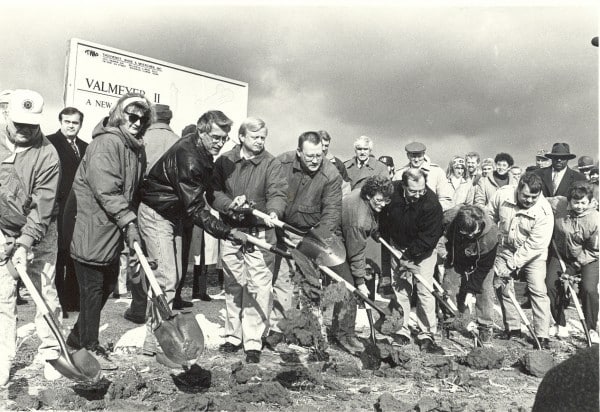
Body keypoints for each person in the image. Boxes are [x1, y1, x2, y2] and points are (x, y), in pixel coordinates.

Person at [137, 110, 248, 362]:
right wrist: (227, 232)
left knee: (172, 278)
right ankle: (153, 343)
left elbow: (209, 194)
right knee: (166, 278)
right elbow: (196, 208)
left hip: (172, 214)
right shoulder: (189, 158)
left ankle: (157, 335)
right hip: (156, 213)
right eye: (216, 137)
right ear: (202, 131)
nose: (220, 143)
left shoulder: (203, 154)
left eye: (225, 138)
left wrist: (230, 206)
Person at [65, 92, 153, 369]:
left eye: (143, 118)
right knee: (92, 289)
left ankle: (76, 338)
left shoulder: (135, 148)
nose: (137, 122)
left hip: (111, 229)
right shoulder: (106, 143)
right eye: (132, 116)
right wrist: (129, 221)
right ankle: (90, 348)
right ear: (119, 115)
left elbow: (133, 191)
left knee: (105, 286)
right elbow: (106, 190)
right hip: (91, 226)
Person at [210, 117, 287, 364]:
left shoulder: (271, 163)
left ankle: (252, 340)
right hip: (232, 233)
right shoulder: (224, 161)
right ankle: (233, 336)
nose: (260, 141)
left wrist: (274, 212)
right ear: (242, 137)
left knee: (259, 287)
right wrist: (228, 205)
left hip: (259, 235)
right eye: (255, 137)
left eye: (263, 137)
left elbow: (277, 192)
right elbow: (214, 193)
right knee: (233, 285)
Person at [0, 89, 63, 384]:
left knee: (44, 292)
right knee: (3, 297)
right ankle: (2, 359)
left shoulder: (48, 154)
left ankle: (53, 354)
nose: (24, 130)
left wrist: (25, 243)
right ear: (6, 116)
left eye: (31, 124)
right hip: (2, 227)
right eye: (18, 124)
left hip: (41, 230)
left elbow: (43, 206)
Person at [267, 132, 348, 349]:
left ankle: (311, 331)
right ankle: (279, 328)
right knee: (282, 281)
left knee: (309, 284)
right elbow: (272, 191)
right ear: (299, 152)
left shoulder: (331, 175)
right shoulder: (282, 163)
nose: (314, 160)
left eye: (319, 155)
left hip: (309, 235)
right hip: (280, 228)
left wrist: (313, 243)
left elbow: (331, 213)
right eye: (309, 156)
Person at [380, 168, 445, 354]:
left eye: (421, 191)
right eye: (413, 191)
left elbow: (430, 237)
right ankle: (401, 330)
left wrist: (409, 257)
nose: (417, 195)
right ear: (403, 186)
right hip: (397, 246)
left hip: (423, 250)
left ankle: (427, 334)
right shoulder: (392, 192)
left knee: (424, 290)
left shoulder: (431, 204)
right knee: (401, 289)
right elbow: (383, 218)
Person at [488, 172, 554, 349]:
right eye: (525, 196)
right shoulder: (502, 194)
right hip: (507, 248)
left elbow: (535, 245)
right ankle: (513, 328)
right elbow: (489, 216)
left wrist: (512, 265)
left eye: (534, 196)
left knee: (538, 290)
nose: (530, 200)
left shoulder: (544, 211)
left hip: (533, 254)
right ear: (518, 189)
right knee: (502, 284)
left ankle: (542, 335)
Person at [341, 175, 393, 352]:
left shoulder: (360, 195)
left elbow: (370, 219)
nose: (383, 204)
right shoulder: (359, 220)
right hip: (338, 245)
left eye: (386, 200)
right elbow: (356, 253)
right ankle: (344, 335)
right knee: (349, 289)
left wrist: (375, 230)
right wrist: (361, 282)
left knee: (350, 288)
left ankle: (344, 332)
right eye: (379, 200)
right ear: (369, 195)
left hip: (348, 238)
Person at [46, 107, 87, 318]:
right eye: (67, 121)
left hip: (79, 208)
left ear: (80, 124)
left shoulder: (85, 147)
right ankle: (59, 302)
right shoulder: (49, 142)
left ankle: (72, 299)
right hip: (58, 207)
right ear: (60, 122)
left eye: (75, 122)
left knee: (74, 253)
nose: (71, 126)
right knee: (59, 254)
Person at [545, 182, 598, 343]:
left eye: (583, 203)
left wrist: (573, 268)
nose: (579, 206)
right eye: (576, 202)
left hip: (589, 257)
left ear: (590, 202)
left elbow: (594, 250)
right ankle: (560, 323)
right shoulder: (559, 204)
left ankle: (591, 328)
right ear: (569, 201)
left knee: (588, 289)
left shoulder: (595, 220)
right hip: (561, 254)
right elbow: (541, 200)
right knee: (550, 285)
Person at [444, 205, 498, 345]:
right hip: (456, 258)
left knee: (485, 291)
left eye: (473, 233)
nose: (470, 237)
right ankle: (455, 321)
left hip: (481, 262)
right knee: (450, 288)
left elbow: (484, 267)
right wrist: (443, 251)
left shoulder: (491, 235)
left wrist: (471, 290)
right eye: (466, 234)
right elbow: (437, 234)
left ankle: (485, 327)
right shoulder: (450, 219)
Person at [393, 141, 454, 211]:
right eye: (413, 156)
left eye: (419, 156)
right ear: (408, 156)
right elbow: (395, 198)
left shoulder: (437, 172)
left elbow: (445, 199)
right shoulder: (399, 174)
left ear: (424, 154)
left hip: (430, 215)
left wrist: (432, 212)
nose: (416, 159)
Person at [318, 130, 351, 196]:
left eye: (326, 145)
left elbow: (346, 190)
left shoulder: (338, 164)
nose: (324, 148)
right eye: (321, 145)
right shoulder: (306, 161)